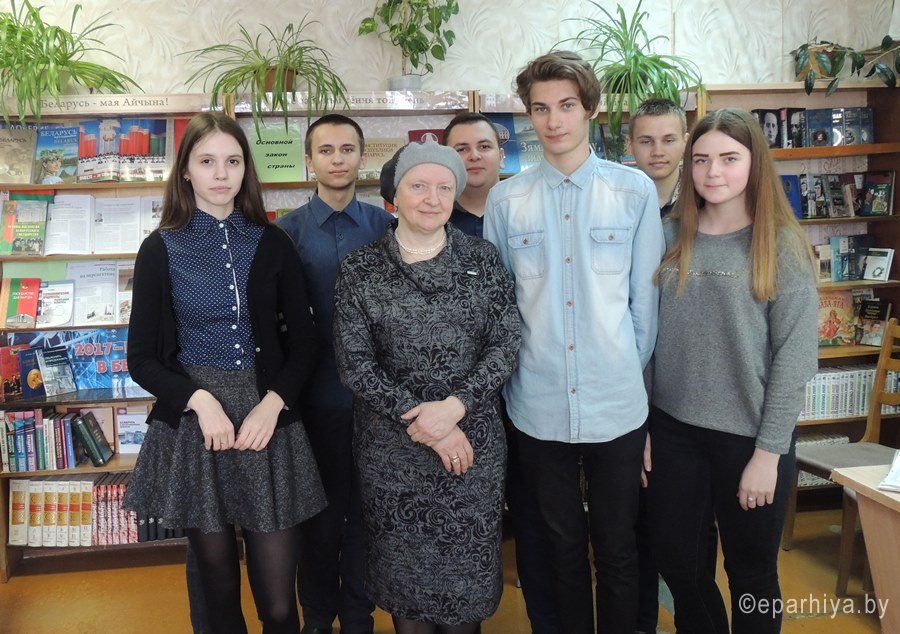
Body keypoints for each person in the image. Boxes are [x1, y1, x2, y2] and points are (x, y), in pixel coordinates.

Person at [124, 111, 326, 634]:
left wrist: (273, 403)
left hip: (267, 420)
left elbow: (305, 343)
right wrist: (200, 401)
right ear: (185, 170)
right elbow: (140, 358)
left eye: (232, 161)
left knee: (279, 605)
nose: (220, 173)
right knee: (217, 594)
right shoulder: (159, 248)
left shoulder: (273, 242)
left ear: (245, 170)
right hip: (197, 425)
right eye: (207, 161)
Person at [484, 51, 664, 634]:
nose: (553, 120)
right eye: (540, 108)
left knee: (617, 546)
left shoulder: (633, 191)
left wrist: (620, 371)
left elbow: (644, 308)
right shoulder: (506, 200)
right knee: (560, 545)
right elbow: (500, 308)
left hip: (617, 404)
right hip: (536, 404)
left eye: (566, 105)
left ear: (590, 108)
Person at [333, 139, 521, 634]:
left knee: (465, 592)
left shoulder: (483, 259)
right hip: (393, 454)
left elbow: (505, 344)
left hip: (471, 450)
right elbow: (355, 365)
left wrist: (455, 408)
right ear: (394, 194)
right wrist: (427, 421)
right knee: (406, 592)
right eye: (418, 186)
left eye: (444, 187)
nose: (432, 198)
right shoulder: (361, 269)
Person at [648, 108, 818, 633]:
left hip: (749, 438)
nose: (713, 171)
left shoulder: (781, 245)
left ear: (753, 163)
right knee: (678, 563)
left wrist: (768, 455)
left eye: (728, 158)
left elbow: (795, 357)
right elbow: (642, 336)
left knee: (752, 575)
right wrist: (644, 426)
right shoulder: (667, 235)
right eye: (701, 160)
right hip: (672, 431)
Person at [442, 112, 560, 634]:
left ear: (501, 152)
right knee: (463, 523)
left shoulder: (530, 209)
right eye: (461, 148)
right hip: (460, 405)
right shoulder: (434, 220)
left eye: (484, 146)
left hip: (529, 391)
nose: (473, 157)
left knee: (535, 519)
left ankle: (544, 622)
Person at [278, 113, 393, 634]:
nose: (337, 159)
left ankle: (359, 615)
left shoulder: (387, 228)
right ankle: (318, 617)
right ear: (309, 161)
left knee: (369, 514)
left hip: (380, 400)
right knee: (319, 516)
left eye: (347, 149)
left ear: (362, 157)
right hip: (313, 396)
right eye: (325, 150)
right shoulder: (287, 233)